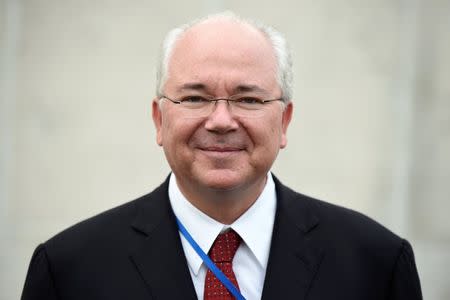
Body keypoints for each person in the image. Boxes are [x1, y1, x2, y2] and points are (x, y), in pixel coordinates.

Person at [21, 12, 422, 300]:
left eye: (248, 98)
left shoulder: (375, 263)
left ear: (284, 121)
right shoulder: (70, 270)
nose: (221, 120)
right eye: (195, 98)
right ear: (159, 119)